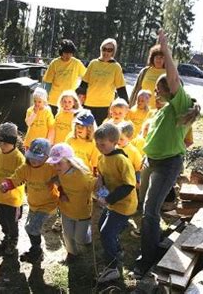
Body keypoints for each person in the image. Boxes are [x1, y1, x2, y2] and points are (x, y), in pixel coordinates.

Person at [134, 30, 198, 278]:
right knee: (145, 207)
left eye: (161, 90)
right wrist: (145, 156)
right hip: (151, 162)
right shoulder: (162, 111)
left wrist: (165, 48)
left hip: (167, 165)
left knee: (150, 210)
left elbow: (172, 77)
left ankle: (147, 258)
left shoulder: (179, 105)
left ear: (171, 90)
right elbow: (154, 136)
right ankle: (155, 242)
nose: (157, 93)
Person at [0, 138, 58, 263]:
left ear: (47, 157)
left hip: (49, 204)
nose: (34, 161)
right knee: (30, 228)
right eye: (32, 157)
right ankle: (36, 251)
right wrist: (6, 184)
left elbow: (62, 176)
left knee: (31, 228)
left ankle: (36, 252)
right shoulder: (26, 168)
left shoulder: (50, 167)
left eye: (38, 158)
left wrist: (57, 182)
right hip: (33, 204)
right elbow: (16, 178)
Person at [94, 123, 137, 283]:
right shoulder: (102, 157)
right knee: (101, 227)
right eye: (97, 144)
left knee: (106, 233)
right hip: (111, 202)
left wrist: (108, 199)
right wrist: (100, 181)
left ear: (114, 142)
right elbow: (103, 174)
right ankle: (117, 250)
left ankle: (112, 268)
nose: (99, 147)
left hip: (124, 205)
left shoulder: (121, 160)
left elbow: (129, 185)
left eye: (103, 144)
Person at [46, 143, 97, 263]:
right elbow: (60, 182)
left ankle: (87, 238)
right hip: (66, 210)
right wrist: (61, 192)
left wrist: (104, 195)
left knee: (80, 238)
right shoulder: (60, 172)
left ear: (69, 162)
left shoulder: (82, 176)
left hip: (82, 213)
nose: (56, 166)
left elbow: (94, 184)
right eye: (54, 163)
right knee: (68, 235)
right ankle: (71, 254)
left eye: (59, 163)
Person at [0, 123, 26, 257]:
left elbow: (23, 177)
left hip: (14, 199)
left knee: (12, 222)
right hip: (0, 197)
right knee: (2, 220)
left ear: (13, 143)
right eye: (0, 142)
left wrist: (10, 185)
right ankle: (6, 237)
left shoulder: (19, 158)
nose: (2, 146)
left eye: (5, 143)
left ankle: (13, 241)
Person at [77, 38, 129, 126]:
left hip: (106, 106)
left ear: (113, 52)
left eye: (110, 50)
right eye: (104, 49)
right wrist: (77, 99)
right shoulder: (93, 63)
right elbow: (83, 85)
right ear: (101, 49)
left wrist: (126, 105)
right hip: (89, 104)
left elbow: (121, 89)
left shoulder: (116, 67)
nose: (106, 52)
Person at [43, 39, 86, 116]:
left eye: (70, 53)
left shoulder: (77, 63)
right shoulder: (54, 63)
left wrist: (81, 92)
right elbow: (48, 82)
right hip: (54, 100)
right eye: (65, 53)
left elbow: (86, 77)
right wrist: (45, 98)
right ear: (61, 52)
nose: (68, 56)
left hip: (69, 101)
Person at [129, 44, 166, 109]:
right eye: (157, 57)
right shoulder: (145, 71)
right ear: (152, 58)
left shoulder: (168, 73)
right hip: (142, 110)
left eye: (161, 57)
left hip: (158, 111)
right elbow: (136, 90)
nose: (159, 60)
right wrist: (130, 105)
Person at [66, 109, 99, 173]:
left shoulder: (93, 143)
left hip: (85, 173)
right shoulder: (70, 138)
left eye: (83, 126)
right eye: (77, 125)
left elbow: (95, 164)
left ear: (89, 128)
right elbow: (64, 155)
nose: (79, 128)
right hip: (70, 171)